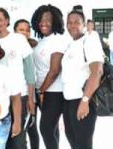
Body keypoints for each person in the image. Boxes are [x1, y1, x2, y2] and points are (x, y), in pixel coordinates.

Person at [0, 7, 35, 149]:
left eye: (0, 19)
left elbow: (29, 69)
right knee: (4, 140)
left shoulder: (19, 39)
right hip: (0, 98)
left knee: (18, 139)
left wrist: (31, 99)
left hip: (20, 96)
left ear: (7, 21)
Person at [62, 5, 104, 149]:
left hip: (83, 100)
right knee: (73, 141)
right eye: (70, 22)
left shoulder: (89, 40)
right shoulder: (71, 44)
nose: (73, 25)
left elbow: (97, 71)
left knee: (83, 145)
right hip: (69, 102)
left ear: (84, 24)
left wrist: (85, 100)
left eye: (77, 22)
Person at [31, 4, 67, 149]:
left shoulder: (58, 39)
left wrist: (41, 91)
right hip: (43, 91)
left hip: (53, 92)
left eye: (48, 20)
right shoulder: (42, 40)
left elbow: (54, 70)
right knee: (52, 129)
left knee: (45, 129)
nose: (43, 23)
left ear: (56, 21)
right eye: (41, 20)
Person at [14, 19, 40, 149]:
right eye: (21, 30)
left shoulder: (34, 46)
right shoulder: (12, 46)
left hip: (31, 92)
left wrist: (32, 99)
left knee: (32, 127)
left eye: (27, 30)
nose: (24, 33)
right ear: (15, 31)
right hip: (19, 94)